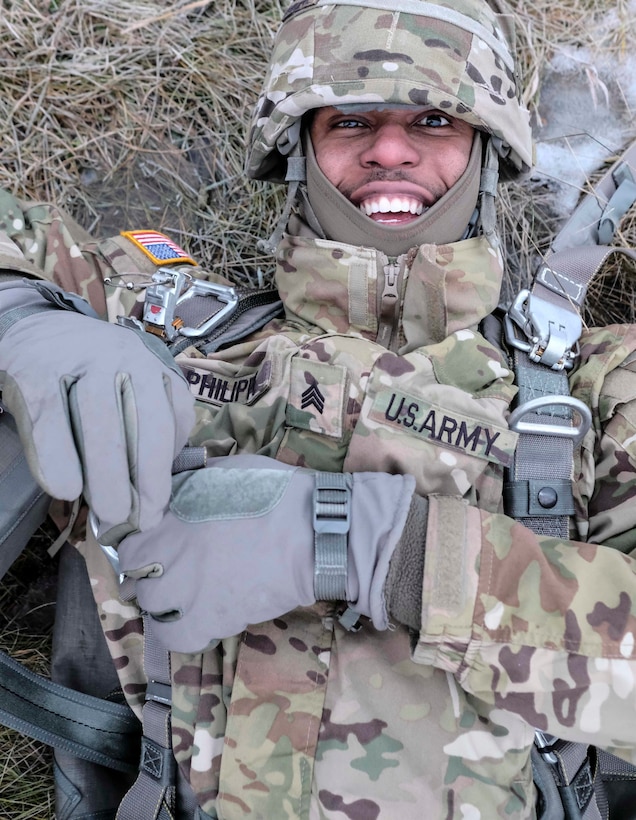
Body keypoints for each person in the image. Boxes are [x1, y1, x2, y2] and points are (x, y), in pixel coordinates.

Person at [1, 0, 636, 817]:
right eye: (351, 121)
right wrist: (27, 322)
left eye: (434, 120)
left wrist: (380, 552)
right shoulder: (176, 331)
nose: (391, 151)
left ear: (484, 149)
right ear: (300, 150)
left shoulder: (593, 389)